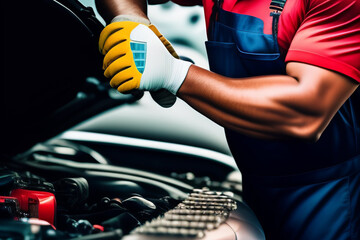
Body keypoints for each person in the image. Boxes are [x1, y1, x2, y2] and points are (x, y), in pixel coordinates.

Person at [95, 0, 360, 239]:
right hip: (254, 178)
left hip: (327, 197)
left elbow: (305, 113)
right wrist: (132, 23)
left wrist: (175, 75)